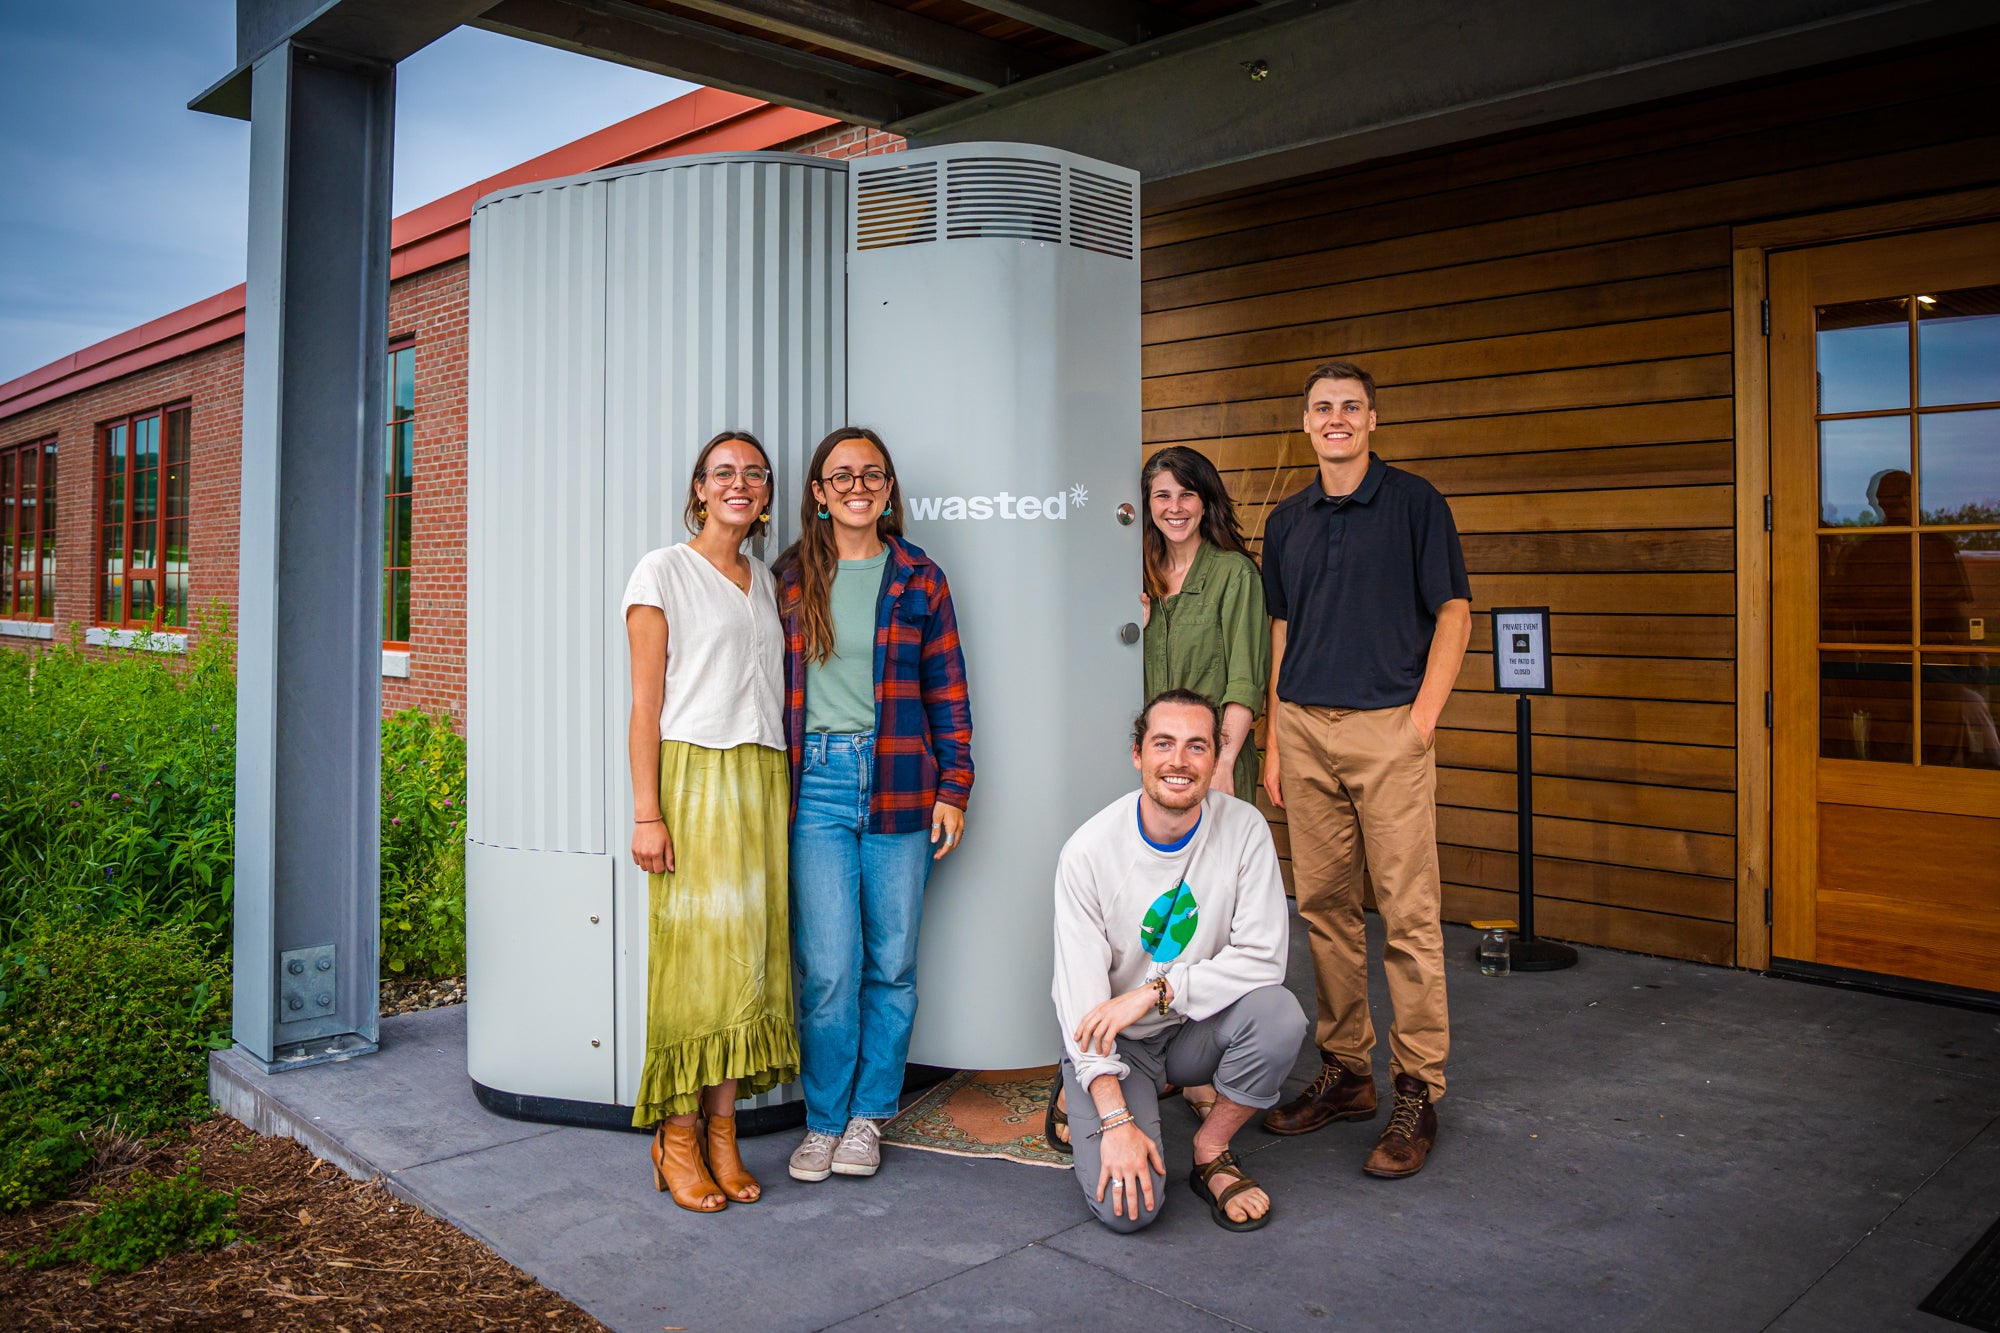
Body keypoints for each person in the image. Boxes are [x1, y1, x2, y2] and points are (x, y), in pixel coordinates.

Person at [1259, 360, 1471, 1178]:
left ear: (1372, 419)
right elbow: (1282, 630)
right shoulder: (1288, 521)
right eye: (1322, 407)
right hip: (1305, 725)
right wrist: (1277, 739)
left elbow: (1454, 610)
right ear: (1306, 422)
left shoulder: (1416, 504)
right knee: (1324, 909)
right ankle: (1347, 1070)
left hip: (1389, 728)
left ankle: (1418, 1087)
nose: (1336, 418)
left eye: (1350, 406)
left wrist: (1421, 723)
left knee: (1409, 917)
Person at [775, 427, 974, 1184]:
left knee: (891, 963)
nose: (859, 486)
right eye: (842, 476)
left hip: (899, 782)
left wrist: (955, 787)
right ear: (819, 493)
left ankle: (868, 1116)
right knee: (828, 966)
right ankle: (824, 1119)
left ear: (888, 488)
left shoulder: (920, 577)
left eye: (873, 474)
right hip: (817, 788)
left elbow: (948, 690)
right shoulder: (792, 578)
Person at [1050, 688, 1308, 1233]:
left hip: (1193, 1029)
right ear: (1138, 754)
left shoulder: (1244, 830)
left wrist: (1157, 991)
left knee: (1278, 1014)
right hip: (1115, 1041)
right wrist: (1115, 1119)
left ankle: (1211, 1151)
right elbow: (1079, 998)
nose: (1179, 761)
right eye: (1163, 743)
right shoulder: (1089, 851)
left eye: (1197, 747)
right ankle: (1077, 1085)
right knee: (1130, 1212)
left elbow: (1264, 959)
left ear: (1216, 758)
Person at [621, 430, 800, 1213]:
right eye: (723, 472)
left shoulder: (765, 579)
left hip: (762, 776)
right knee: (696, 967)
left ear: (765, 494)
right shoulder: (661, 570)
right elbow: (645, 706)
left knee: (748, 966)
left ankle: (726, 1136)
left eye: (753, 474)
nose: (739, 483)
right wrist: (646, 812)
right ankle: (679, 1136)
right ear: (698, 487)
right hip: (694, 777)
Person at [1140, 445, 1271, 801]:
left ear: (1205, 501)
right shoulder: (1135, 582)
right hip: (1153, 770)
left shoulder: (1235, 574)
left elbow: (1245, 684)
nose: (1175, 507)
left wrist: (1223, 765)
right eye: (1162, 495)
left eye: (1187, 495)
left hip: (1212, 765)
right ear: (1148, 505)